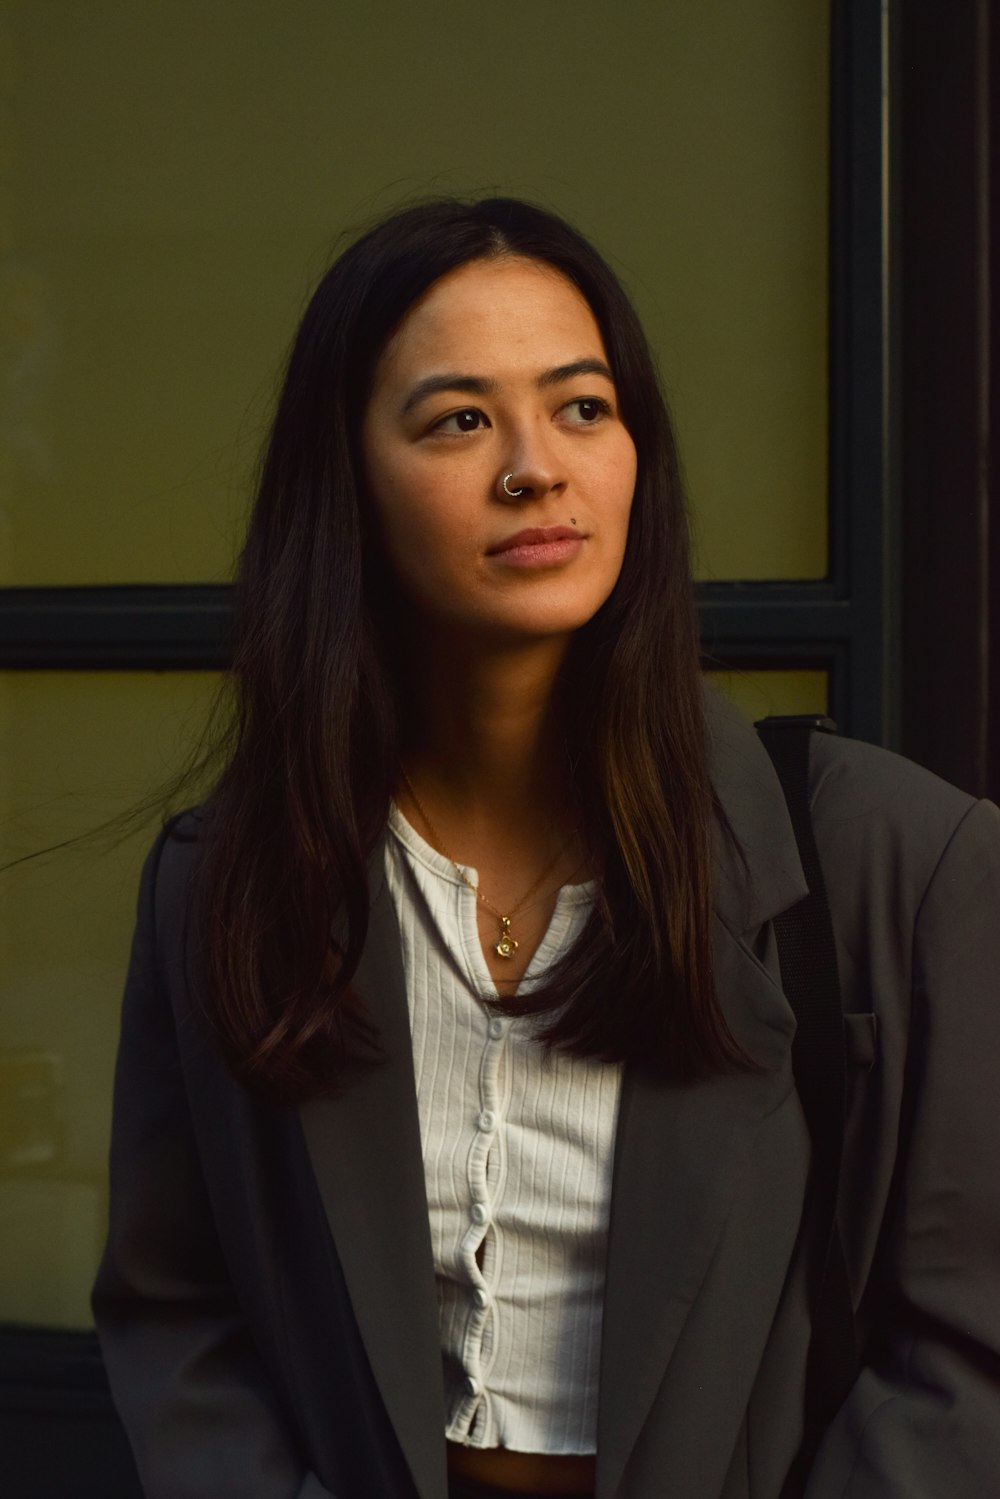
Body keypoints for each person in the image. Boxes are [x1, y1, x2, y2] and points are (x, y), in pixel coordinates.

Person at [92, 197, 1000, 1499]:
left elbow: (964, 1364)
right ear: (344, 479)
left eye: (583, 407)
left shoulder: (895, 859)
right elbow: (177, 1314)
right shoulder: (225, 880)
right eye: (460, 420)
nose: (536, 465)